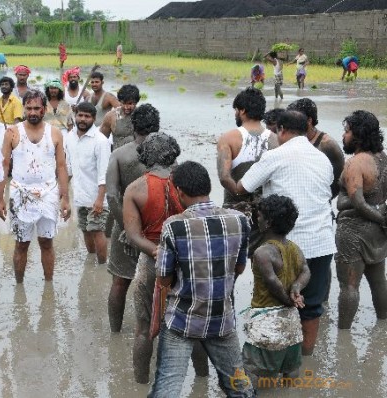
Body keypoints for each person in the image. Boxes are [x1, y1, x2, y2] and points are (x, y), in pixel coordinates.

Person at [231, 110, 335, 356]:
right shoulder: (322, 158)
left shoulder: (274, 156)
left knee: (275, 304)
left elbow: (241, 188)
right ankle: (303, 360)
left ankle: (273, 361)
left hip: (285, 247)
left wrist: (225, 172)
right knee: (312, 307)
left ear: (282, 130)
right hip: (321, 244)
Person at [148, 161, 253, 397]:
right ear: (208, 187)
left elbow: (163, 280)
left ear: (179, 193)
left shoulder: (174, 226)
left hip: (181, 321)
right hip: (221, 318)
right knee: (239, 387)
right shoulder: (239, 221)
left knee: (167, 388)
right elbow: (239, 267)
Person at [124, 134, 211, 384]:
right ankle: (202, 382)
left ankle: (140, 385)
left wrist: (156, 251)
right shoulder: (188, 184)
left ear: (145, 158)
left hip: (151, 263)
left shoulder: (136, 189)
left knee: (144, 330)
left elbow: (132, 236)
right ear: (174, 155)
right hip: (188, 263)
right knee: (194, 327)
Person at [0, 89, 71, 284]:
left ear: (44, 109)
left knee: (47, 242)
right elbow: (3, 165)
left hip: (48, 193)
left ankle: (48, 285)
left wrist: (66, 198)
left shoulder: (54, 133)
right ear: (24, 109)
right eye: (28, 108)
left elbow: (61, 166)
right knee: (21, 244)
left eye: (37, 108)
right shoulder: (12, 132)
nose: (32, 112)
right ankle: (19, 286)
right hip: (20, 193)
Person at [243, 194, 310, 389]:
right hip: (291, 323)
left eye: (260, 216)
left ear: (268, 223)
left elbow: (273, 282)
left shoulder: (263, 252)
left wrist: (289, 299)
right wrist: (296, 288)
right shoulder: (294, 249)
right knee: (290, 368)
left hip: (267, 323)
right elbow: (305, 270)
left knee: (252, 371)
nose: (257, 219)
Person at [106, 104, 159, 333]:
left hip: (125, 227)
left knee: (120, 282)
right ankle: (153, 331)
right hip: (156, 230)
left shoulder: (119, 154)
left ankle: (114, 334)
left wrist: (128, 231)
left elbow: (112, 195)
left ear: (132, 126)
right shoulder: (165, 155)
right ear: (157, 127)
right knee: (159, 284)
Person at [336, 110, 387, 330]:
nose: (343, 136)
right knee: (378, 281)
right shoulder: (383, 159)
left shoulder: (355, 163)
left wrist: (380, 219)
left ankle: (343, 333)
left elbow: (357, 202)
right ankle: (383, 325)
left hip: (353, 232)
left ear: (357, 135)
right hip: (377, 233)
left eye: (346, 131)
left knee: (349, 286)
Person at [217, 87, 278, 257]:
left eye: (236, 110)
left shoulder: (229, 138)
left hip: (234, 211)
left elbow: (224, 177)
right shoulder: (275, 140)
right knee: (264, 265)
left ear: (242, 110)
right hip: (266, 215)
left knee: (229, 266)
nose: (235, 114)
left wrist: (239, 192)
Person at [65, 102, 111, 264]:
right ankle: (90, 263)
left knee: (97, 230)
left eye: (87, 116)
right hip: (80, 196)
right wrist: (63, 195)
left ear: (94, 118)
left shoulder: (100, 141)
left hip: (98, 198)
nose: (83, 119)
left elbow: (104, 173)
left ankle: (101, 265)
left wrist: (99, 200)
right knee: (85, 229)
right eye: (80, 115)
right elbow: (68, 169)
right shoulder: (70, 137)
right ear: (75, 115)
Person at [287, 98, 345, 199]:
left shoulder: (328, 145)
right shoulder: (288, 139)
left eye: (295, 120)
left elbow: (338, 182)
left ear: (309, 120)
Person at [99, 84, 140, 150]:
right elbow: (101, 139)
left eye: (130, 104)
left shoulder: (142, 115)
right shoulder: (111, 116)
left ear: (136, 102)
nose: (126, 107)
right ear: (120, 101)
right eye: (123, 103)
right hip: (117, 156)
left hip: (137, 156)